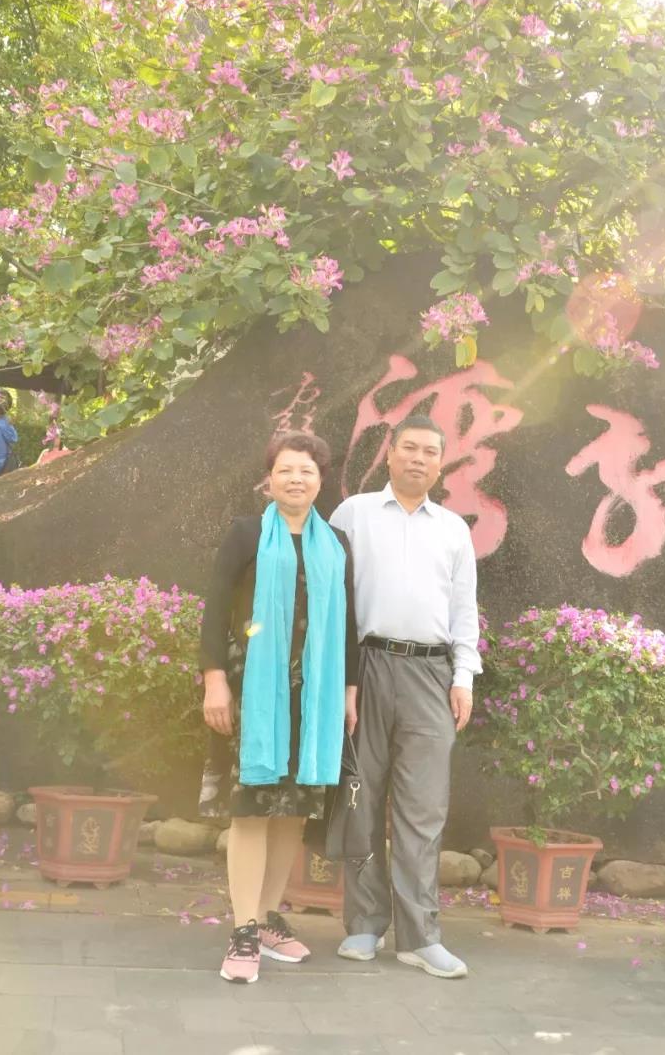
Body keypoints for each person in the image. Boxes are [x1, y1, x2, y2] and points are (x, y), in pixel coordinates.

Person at [199, 430, 359, 985]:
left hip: (313, 695)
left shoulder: (336, 543)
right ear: (269, 478)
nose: (296, 479)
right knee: (251, 807)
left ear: (321, 480)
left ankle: (267, 918)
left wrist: (349, 691)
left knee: (293, 807)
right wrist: (214, 681)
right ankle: (243, 928)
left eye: (307, 471)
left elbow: (348, 622)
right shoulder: (246, 534)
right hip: (253, 690)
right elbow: (215, 609)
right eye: (286, 469)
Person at [330, 414, 480, 980]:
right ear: (389, 453)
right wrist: (339, 679)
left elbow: (464, 609)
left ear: (441, 463)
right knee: (361, 799)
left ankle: (420, 937)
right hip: (363, 668)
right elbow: (331, 597)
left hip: (431, 674)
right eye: (409, 448)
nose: (418, 458)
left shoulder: (453, 530)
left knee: (424, 808)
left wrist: (463, 677)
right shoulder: (353, 514)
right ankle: (365, 924)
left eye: (430, 451)